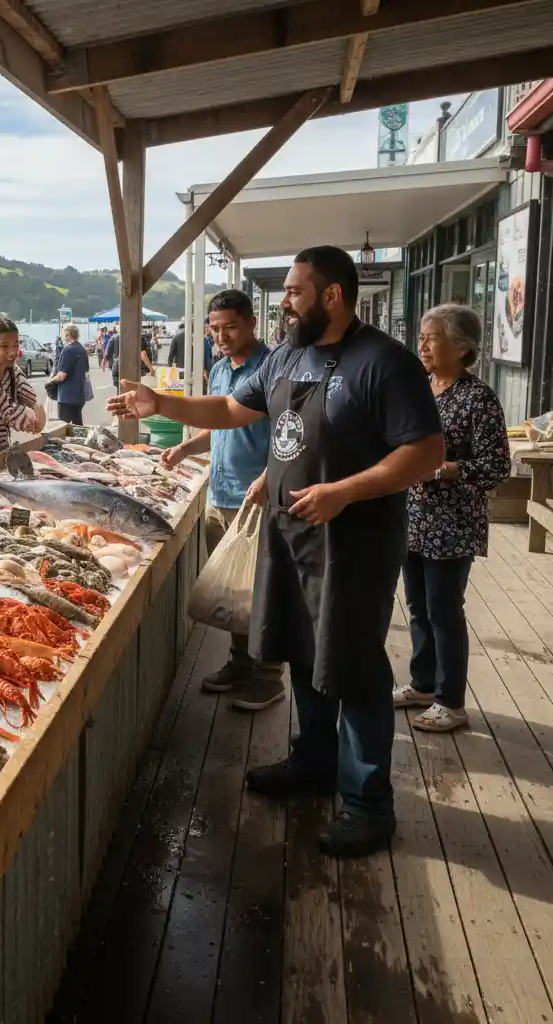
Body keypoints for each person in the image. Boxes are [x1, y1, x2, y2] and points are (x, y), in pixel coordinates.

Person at [107, 245, 444, 858]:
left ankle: (369, 803)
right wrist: (163, 405)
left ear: (332, 295)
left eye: (294, 291)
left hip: (356, 543)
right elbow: (235, 408)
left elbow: (425, 453)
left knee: (357, 665)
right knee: (299, 648)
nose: (284, 302)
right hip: (289, 535)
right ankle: (314, 762)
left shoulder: (384, 362)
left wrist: (345, 491)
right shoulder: (288, 355)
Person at [162, 290, 282, 711]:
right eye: (214, 329)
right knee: (234, 593)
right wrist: (184, 450)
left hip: (259, 500)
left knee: (263, 591)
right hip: (220, 493)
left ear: (251, 322)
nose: (222, 336)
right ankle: (238, 664)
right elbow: (219, 423)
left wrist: (270, 476)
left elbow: (290, 435)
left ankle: (268, 677)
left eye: (230, 326)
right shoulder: (217, 370)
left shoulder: (272, 368)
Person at [395, 304, 511, 732]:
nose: (422, 344)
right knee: (418, 606)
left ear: (462, 347)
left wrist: (447, 469)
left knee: (444, 608)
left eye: (432, 337)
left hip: (452, 523)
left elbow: (498, 465)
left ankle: (451, 700)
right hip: (413, 517)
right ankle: (423, 684)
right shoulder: (420, 387)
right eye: (422, 336)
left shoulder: (478, 398)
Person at [0, 315, 45, 458]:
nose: (12, 352)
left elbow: (35, 408)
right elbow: (10, 410)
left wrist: (36, 414)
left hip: (2, 455)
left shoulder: (15, 374)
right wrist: (26, 417)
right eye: (4, 346)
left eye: (16, 345)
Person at [50, 323, 89, 425]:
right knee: (78, 424)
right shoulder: (82, 349)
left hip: (67, 395)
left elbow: (61, 375)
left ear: (68, 334)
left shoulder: (68, 350)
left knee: (62, 425)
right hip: (79, 394)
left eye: (63, 333)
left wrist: (50, 382)